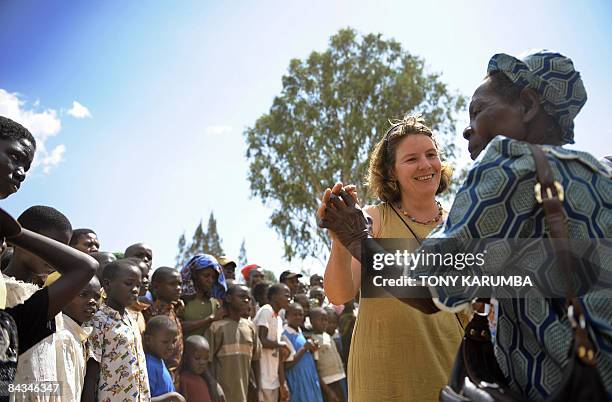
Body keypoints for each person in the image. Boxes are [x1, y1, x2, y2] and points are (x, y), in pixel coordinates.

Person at [320, 51, 612, 400]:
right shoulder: (601, 173)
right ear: (391, 173)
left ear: (528, 105)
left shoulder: (509, 165)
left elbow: (430, 289)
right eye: (411, 158)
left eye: (478, 111)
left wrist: (356, 237)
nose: (466, 128)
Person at [318, 114, 465, 402]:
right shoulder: (373, 221)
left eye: (431, 154)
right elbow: (339, 294)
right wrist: (340, 241)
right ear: (390, 172)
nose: (425, 165)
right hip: (381, 382)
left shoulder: (461, 227)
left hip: (447, 377)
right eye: (411, 159)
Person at [82, 259, 150, 402]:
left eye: (138, 285)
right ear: (107, 284)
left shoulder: (131, 319)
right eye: (129, 283)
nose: (135, 290)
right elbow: (92, 372)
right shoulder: (98, 320)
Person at [207, 284, 261, 402]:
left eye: (248, 298)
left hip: (244, 393)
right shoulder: (216, 328)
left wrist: (257, 386)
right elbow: (207, 362)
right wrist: (213, 386)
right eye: (241, 297)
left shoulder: (250, 327)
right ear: (228, 298)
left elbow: (255, 360)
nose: (246, 300)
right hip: (222, 394)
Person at [144, 267, 184, 384]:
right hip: (158, 375)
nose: (178, 288)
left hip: (174, 376)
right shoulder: (149, 312)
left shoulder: (173, 310)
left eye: (180, 284)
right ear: (156, 287)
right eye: (172, 284)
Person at [253, 283, 291, 402]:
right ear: (274, 297)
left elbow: (278, 352)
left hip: (272, 378)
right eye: (286, 295)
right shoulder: (266, 311)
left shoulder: (278, 319)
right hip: (262, 377)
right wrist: (281, 345)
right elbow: (261, 340)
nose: (289, 299)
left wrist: (282, 381)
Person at [281, 303, 323, 402]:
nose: (298, 317)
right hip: (297, 380)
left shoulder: (300, 333)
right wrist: (304, 348)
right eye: (294, 314)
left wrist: (312, 349)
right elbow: (286, 365)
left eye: (300, 314)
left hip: (309, 377)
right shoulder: (284, 335)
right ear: (287, 316)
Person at [179, 254, 227, 338]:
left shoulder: (215, 303)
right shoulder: (182, 300)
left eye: (213, 277)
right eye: (206, 276)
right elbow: (178, 327)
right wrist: (209, 319)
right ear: (195, 275)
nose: (210, 280)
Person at [144, 316, 186, 402]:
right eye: (165, 342)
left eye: (174, 341)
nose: (171, 347)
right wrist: (172, 396)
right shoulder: (149, 366)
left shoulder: (159, 361)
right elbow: (143, 399)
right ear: (148, 340)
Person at [310, 308, 346, 402]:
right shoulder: (313, 341)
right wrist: (328, 390)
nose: (324, 323)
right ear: (311, 321)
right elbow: (315, 368)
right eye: (320, 320)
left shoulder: (329, 336)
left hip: (340, 377)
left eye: (326, 320)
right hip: (327, 382)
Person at [179, 335, 212, 402]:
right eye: (197, 358)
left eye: (206, 358)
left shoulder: (203, 379)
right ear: (185, 358)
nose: (202, 362)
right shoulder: (184, 379)